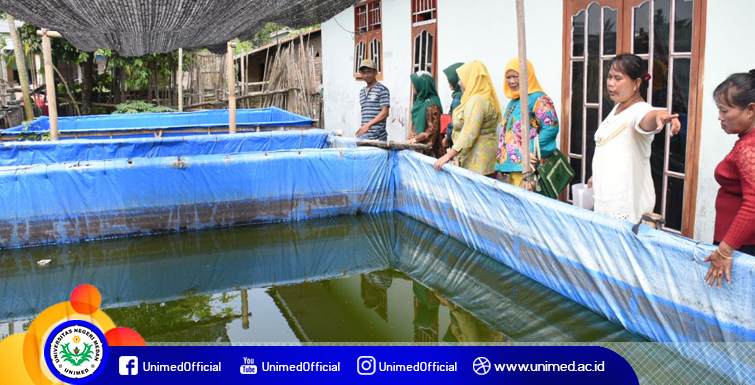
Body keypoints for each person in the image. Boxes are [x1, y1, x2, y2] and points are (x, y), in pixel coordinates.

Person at [588, 53, 680, 223]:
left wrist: (661, 115)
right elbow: (610, 146)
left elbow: (648, 118)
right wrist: (597, 175)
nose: (610, 83)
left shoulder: (640, 109)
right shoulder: (618, 108)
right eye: (609, 77)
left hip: (627, 211)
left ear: (637, 83)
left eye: (618, 78)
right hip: (606, 203)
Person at [702, 70, 755, 288]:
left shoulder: (749, 147)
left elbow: (753, 202)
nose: (719, 117)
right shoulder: (746, 140)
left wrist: (725, 249)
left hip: (740, 248)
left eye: (725, 110)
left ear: (751, 110)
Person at [495, 58, 559, 188]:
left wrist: (530, 150)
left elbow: (551, 128)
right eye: (508, 77)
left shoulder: (539, 98)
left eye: (516, 76)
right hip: (516, 166)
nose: (511, 81)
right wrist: (503, 162)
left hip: (529, 167)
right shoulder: (514, 101)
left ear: (526, 76)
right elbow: (508, 133)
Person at [434, 61, 502, 177]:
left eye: (461, 79)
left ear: (471, 80)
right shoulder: (479, 99)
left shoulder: (477, 101)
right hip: (477, 159)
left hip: (478, 162)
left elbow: (469, 133)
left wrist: (448, 155)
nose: (459, 83)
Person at [406, 71, 444, 158]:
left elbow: (432, 131)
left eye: (414, 84)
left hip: (428, 153)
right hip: (416, 148)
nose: (412, 86)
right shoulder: (420, 101)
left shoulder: (432, 105)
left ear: (422, 85)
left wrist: (416, 139)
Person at [356, 59, 391, 141]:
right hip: (364, 138)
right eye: (363, 72)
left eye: (369, 72)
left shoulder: (382, 89)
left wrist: (368, 125)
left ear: (375, 72)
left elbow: (385, 113)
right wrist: (364, 127)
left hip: (378, 139)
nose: (366, 75)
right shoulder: (362, 92)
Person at [442, 62, 465, 149]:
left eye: (450, 79)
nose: (448, 82)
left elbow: (455, 121)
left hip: (456, 142)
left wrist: (448, 137)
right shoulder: (462, 96)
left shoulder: (458, 99)